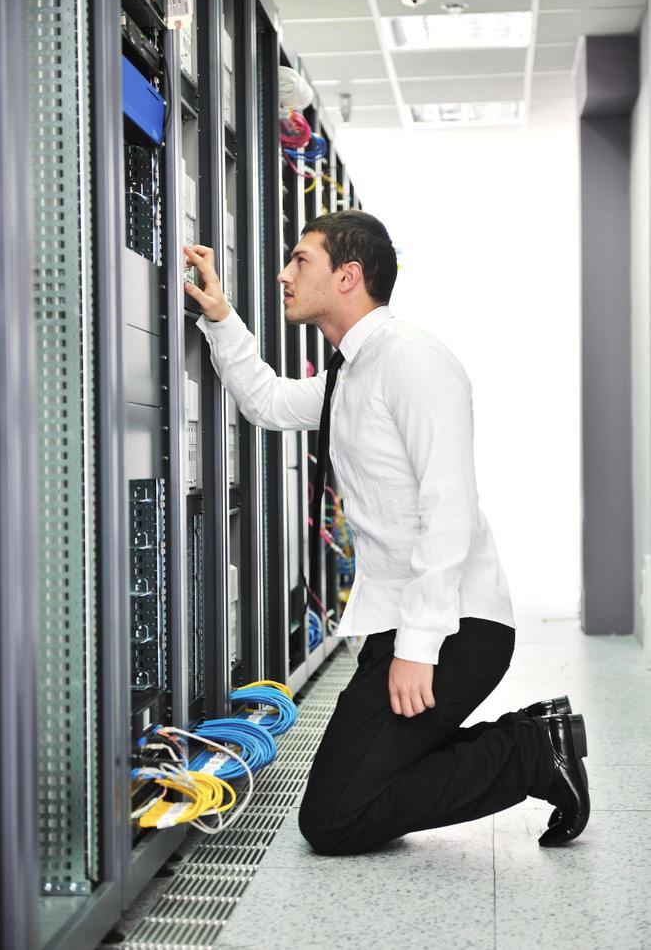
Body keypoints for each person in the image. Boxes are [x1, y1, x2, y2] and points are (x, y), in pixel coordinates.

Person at [183, 210, 589, 856]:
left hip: (456, 628)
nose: (285, 276)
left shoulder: (412, 361)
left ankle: (533, 753)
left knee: (335, 819)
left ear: (348, 276)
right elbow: (266, 401)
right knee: (352, 791)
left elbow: (449, 507)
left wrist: (419, 647)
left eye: (300, 261)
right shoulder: (352, 373)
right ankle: (537, 738)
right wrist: (218, 316)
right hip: (398, 623)